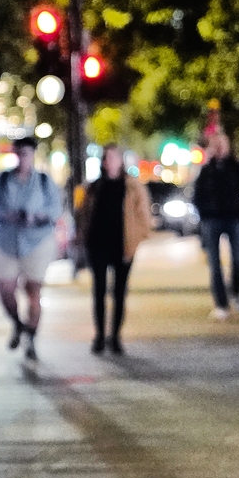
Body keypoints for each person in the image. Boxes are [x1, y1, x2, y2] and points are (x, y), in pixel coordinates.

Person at [0, 134, 62, 361]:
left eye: (26, 154)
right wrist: (6, 215)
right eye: (18, 153)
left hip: (37, 240)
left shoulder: (44, 181)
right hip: (7, 240)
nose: (22, 158)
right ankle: (18, 324)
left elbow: (55, 209)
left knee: (33, 290)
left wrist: (37, 217)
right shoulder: (3, 180)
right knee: (5, 289)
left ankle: (31, 337)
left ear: (33, 155)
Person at [75, 145, 151, 354]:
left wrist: (135, 239)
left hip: (122, 245)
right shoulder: (93, 186)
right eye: (106, 158)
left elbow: (144, 217)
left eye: (113, 158)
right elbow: (82, 213)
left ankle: (115, 337)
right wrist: (83, 235)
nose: (109, 162)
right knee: (99, 290)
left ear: (120, 161)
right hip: (98, 244)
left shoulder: (132, 186)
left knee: (119, 292)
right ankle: (100, 335)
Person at [190, 130, 239, 318]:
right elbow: (197, 194)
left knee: (238, 259)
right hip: (212, 220)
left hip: (234, 218)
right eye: (215, 145)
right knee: (214, 264)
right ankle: (221, 303)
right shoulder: (206, 170)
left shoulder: (236, 168)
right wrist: (204, 213)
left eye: (222, 145)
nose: (219, 149)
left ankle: (235, 291)